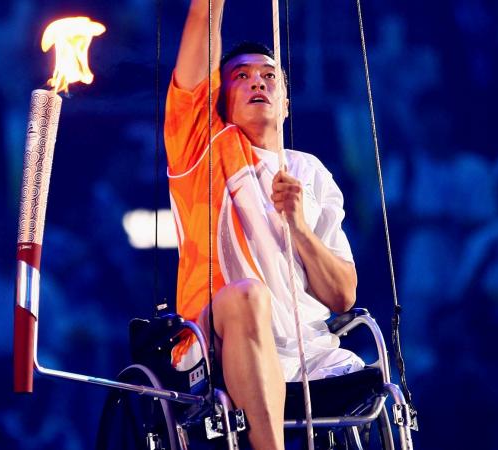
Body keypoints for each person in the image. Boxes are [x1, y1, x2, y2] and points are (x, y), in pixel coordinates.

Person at [164, 0, 363, 448]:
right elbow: (203, 17)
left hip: (310, 354)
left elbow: (342, 295)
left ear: (287, 104)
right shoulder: (201, 147)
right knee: (248, 294)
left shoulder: (309, 172)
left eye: (270, 76)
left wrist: (299, 228)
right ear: (219, 100)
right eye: (242, 76)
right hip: (217, 339)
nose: (258, 81)